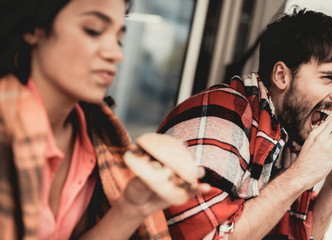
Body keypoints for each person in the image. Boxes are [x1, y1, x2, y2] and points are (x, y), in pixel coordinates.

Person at [157, 7, 332, 240]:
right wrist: (301, 174)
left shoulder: (290, 133)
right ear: (282, 76)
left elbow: (298, 235)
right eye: (329, 78)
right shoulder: (220, 115)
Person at [0, 0, 208, 239]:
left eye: (119, 39)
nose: (116, 54)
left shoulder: (94, 139)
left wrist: (133, 208)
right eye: (94, 30)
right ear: (34, 29)